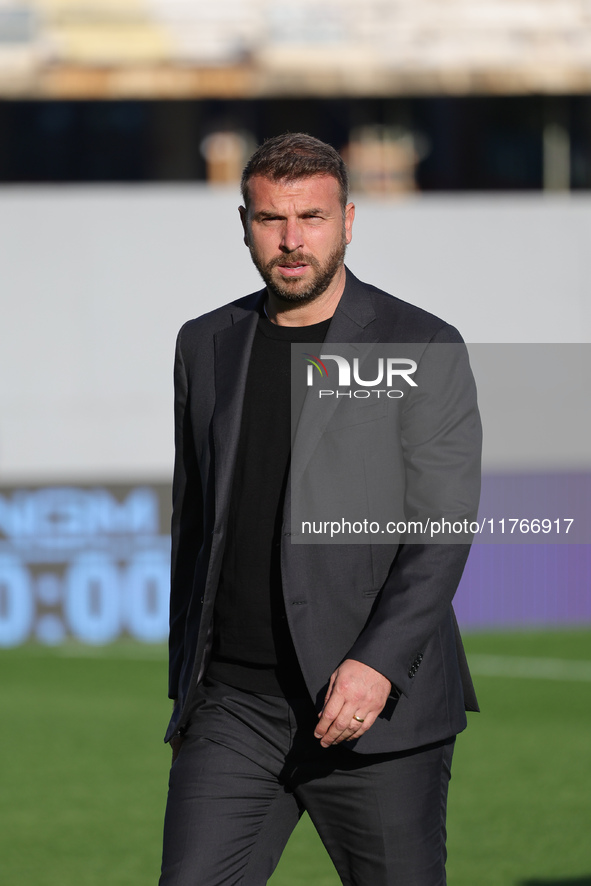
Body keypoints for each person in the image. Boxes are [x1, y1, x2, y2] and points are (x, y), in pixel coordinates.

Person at [159, 133, 481, 886]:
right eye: (272, 220)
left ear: (348, 220)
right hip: (234, 710)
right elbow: (198, 523)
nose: (292, 240)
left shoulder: (421, 342)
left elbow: (441, 528)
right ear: (245, 223)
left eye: (311, 217)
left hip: (374, 712)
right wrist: (188, 690)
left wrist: (376, 665)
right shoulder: (205, 343)